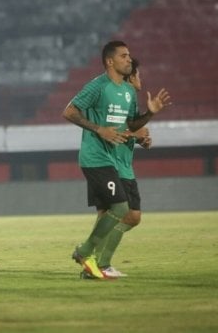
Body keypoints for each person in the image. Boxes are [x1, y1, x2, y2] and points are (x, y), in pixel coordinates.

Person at [62, 41, 171, 279]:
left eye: (129, 55)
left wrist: (150, 114)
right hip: (96, 157)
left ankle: (97, 264)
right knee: (119, 209)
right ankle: (87, 253)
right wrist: (99, 129)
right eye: (124, 56)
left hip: (117, 160)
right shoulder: (98, 86)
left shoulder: (129, 91)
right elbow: (69, 111)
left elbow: (130, 124)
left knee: (131, 215)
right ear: (110, 61)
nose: (129, 60)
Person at [85, 58, 153, 279]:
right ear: (131, 77)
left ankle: (95, 263)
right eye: (138, 75)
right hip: (107, 163)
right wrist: (136, 134)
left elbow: (128, 128)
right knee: (116, 214)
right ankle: (96, 264)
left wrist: (140, 139)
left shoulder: (128, 100)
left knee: (127, 216)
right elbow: (113, 130)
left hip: (123, 165)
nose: (139, 79)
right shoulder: (110, 95)